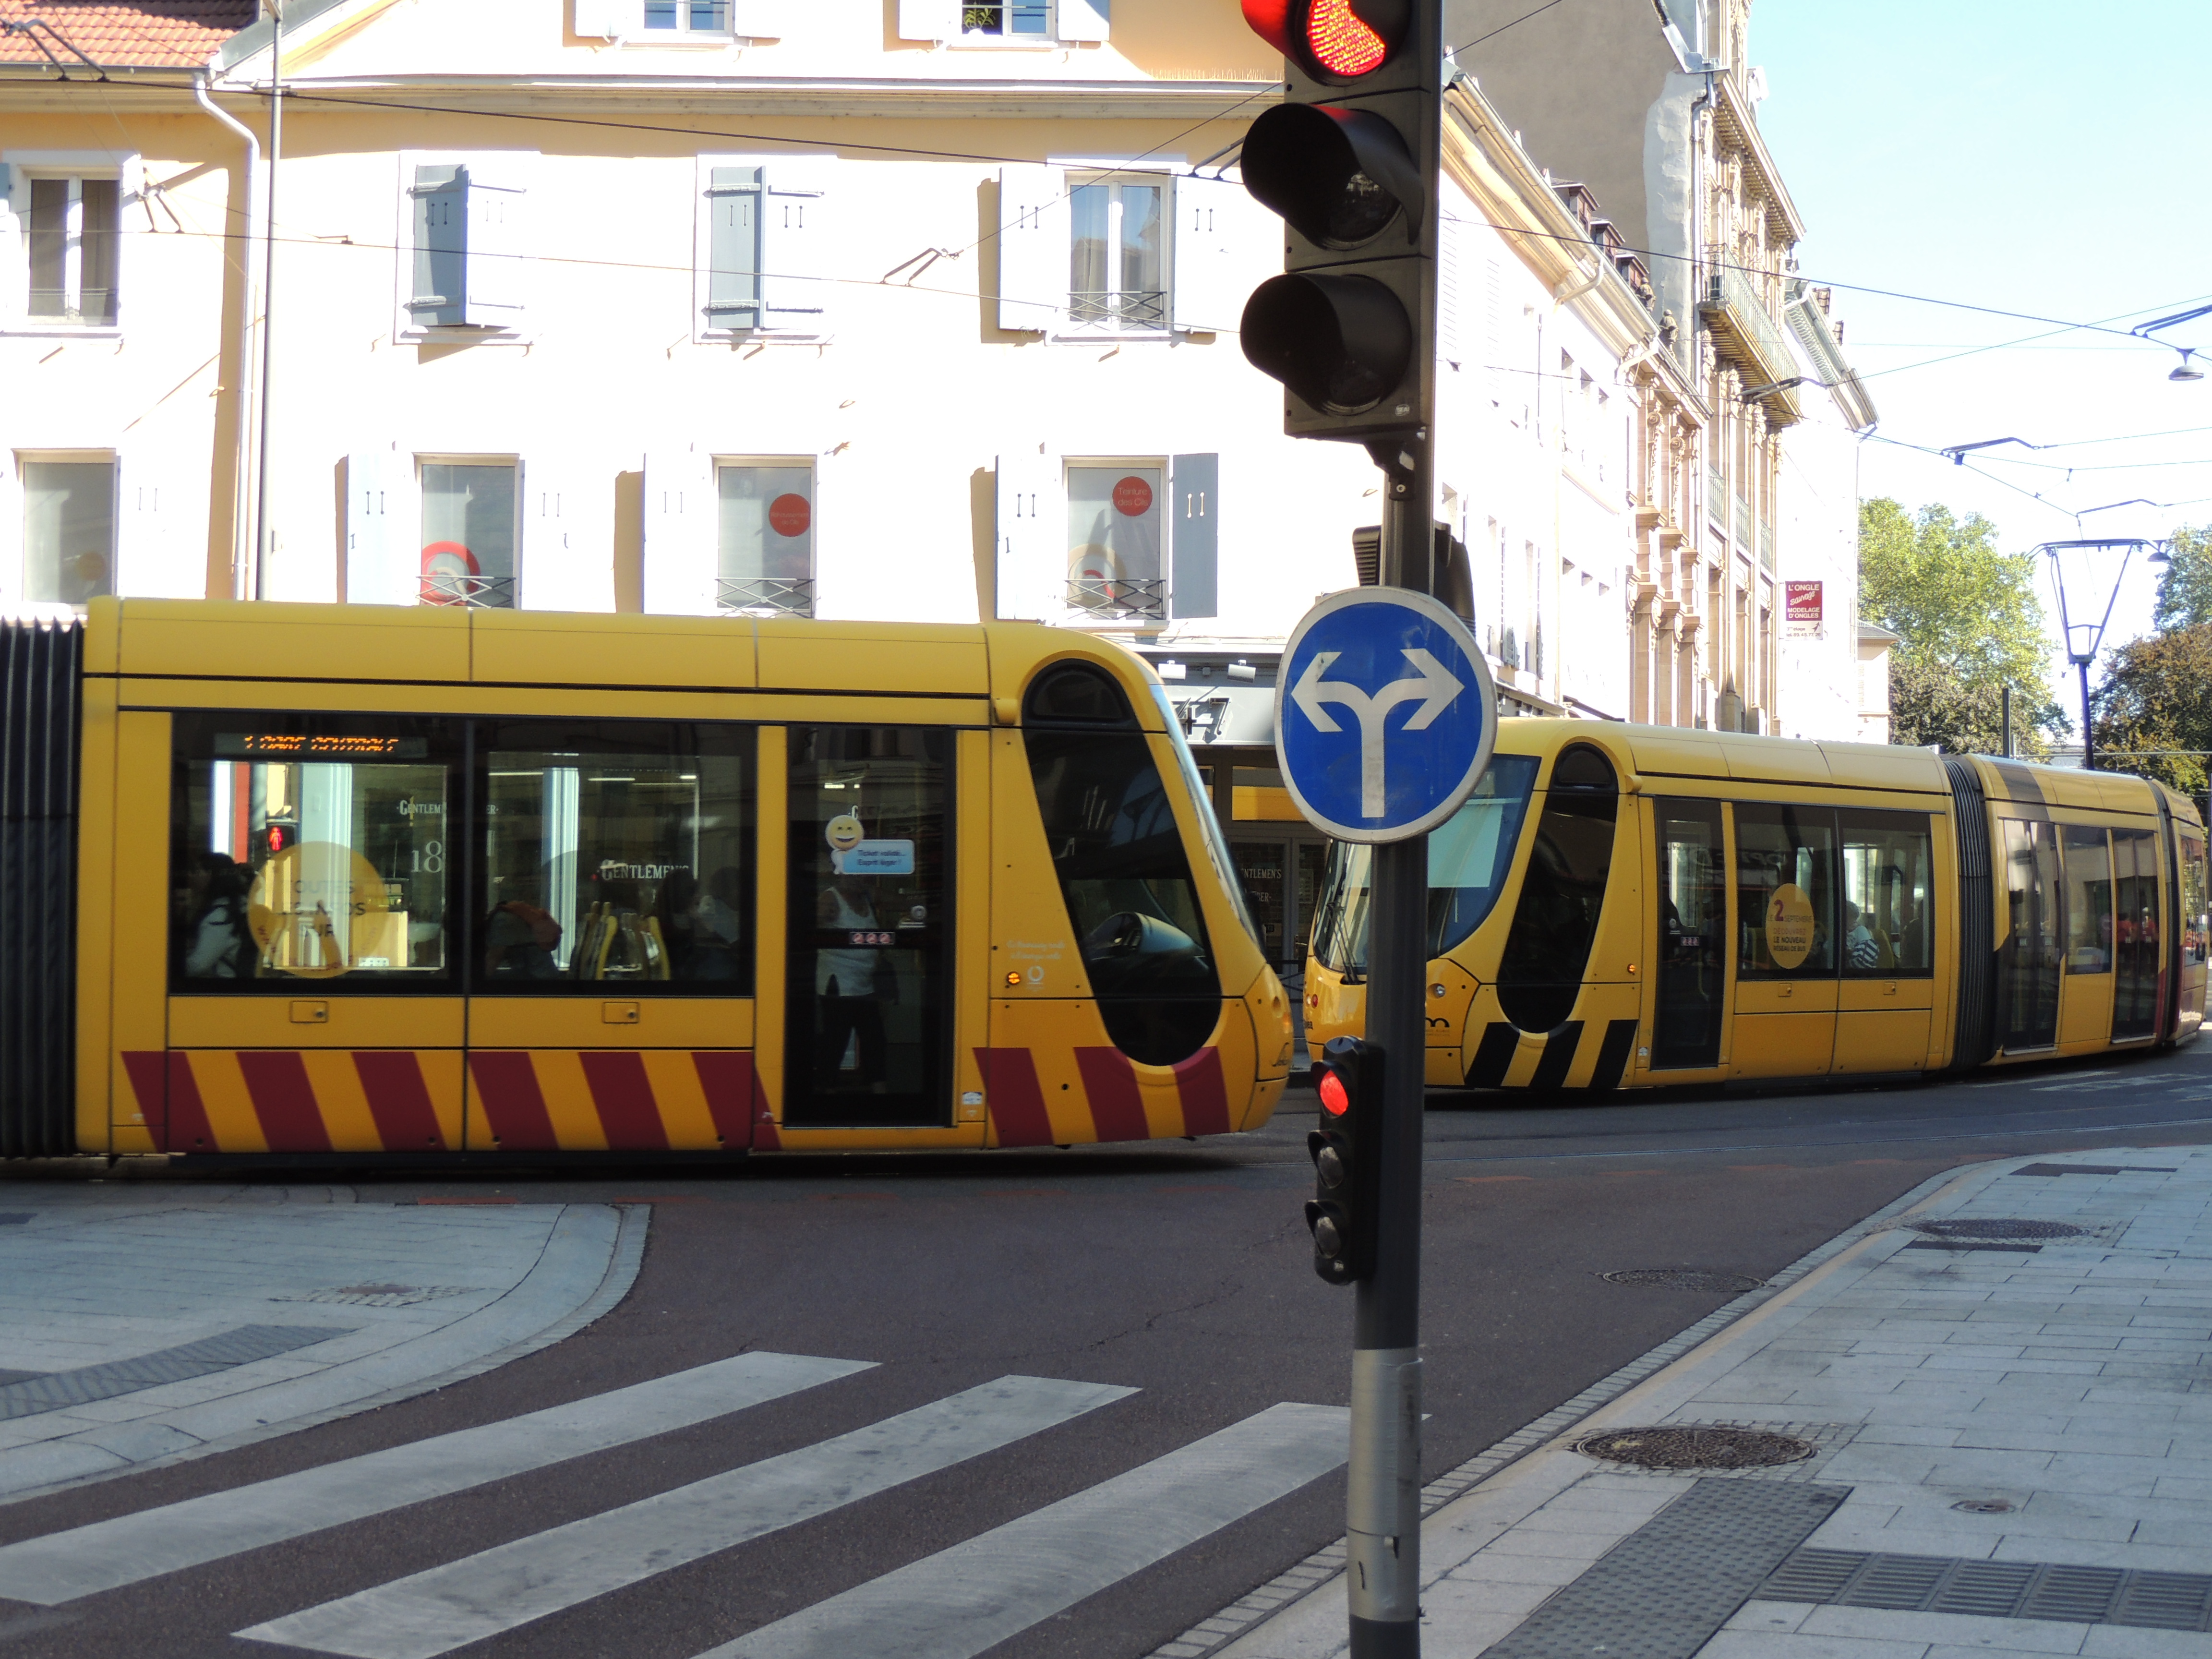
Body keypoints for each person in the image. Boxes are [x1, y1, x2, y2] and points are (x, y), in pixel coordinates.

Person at [817, 868, 887, 1090]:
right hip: (838, 982)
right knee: (836, 1039)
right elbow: (816, 923)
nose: (856, 880)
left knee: (874, 1039)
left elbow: (902, 902)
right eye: (851, 875)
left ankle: (877, 1086)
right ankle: (825, 1087)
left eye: (860, 875)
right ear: (840, 875)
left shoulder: (868, 896)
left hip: (864, 983)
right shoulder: (830, 898)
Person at [184, 853, 256, 979]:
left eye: (196, 871)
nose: (191, 876)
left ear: (212, 875)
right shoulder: (240, 907)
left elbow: (198, 965)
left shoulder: (220, 917)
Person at [484, 883, 562, 978]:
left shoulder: (502, 922)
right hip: (534, 973)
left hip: (538, 980)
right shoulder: (507, 915)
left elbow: (493, 959)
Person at [1842, 901, 1881, 971]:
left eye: (1854, 920)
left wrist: (1849, 953)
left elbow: (1862, 959)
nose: (1854, 923)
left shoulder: (1860, 930)